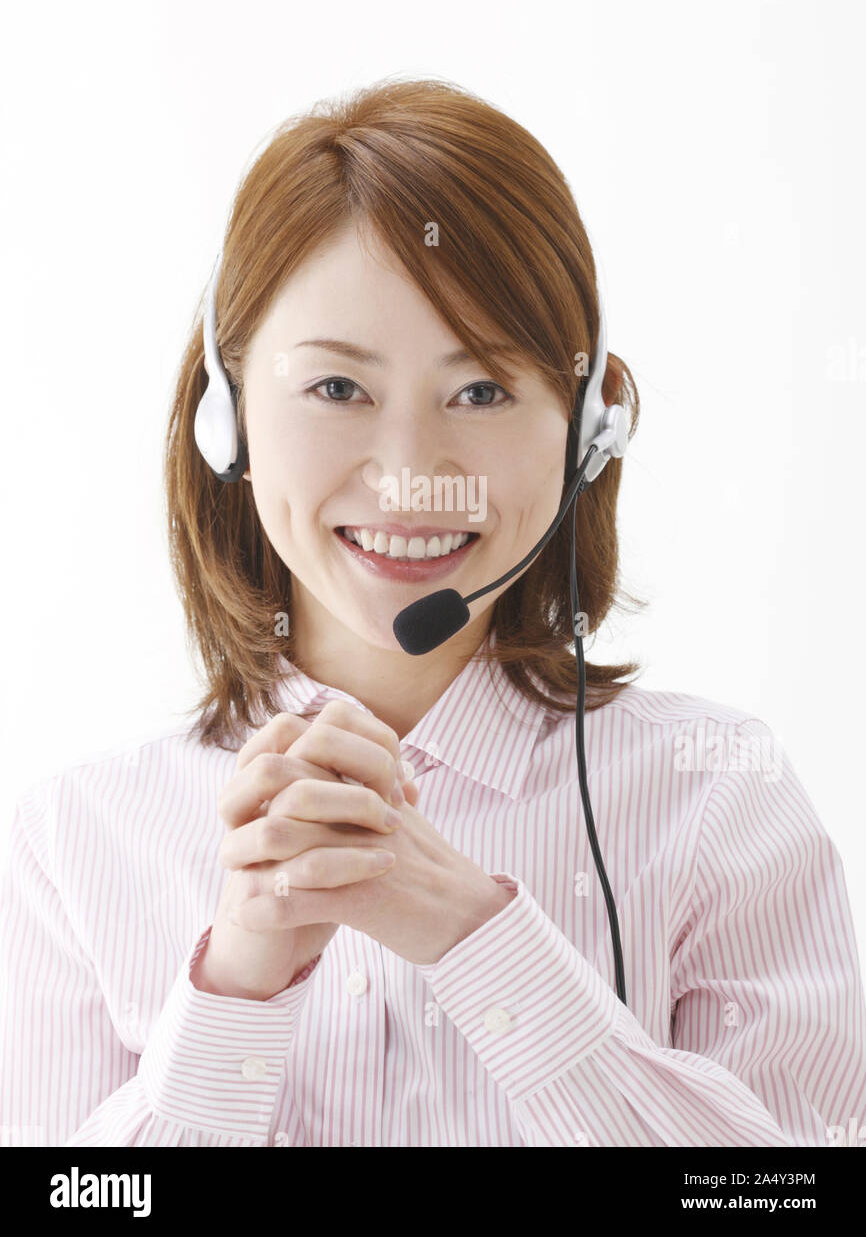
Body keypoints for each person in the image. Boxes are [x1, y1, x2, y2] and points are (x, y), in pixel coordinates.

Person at [2, 77, 865, 1147]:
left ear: (586, 430)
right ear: (227, 419)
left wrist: (478, 938)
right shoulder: (72, 845)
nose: (410, 475)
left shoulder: (717, 801)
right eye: (335, 389)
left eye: (482, 391)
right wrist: (232, 991)